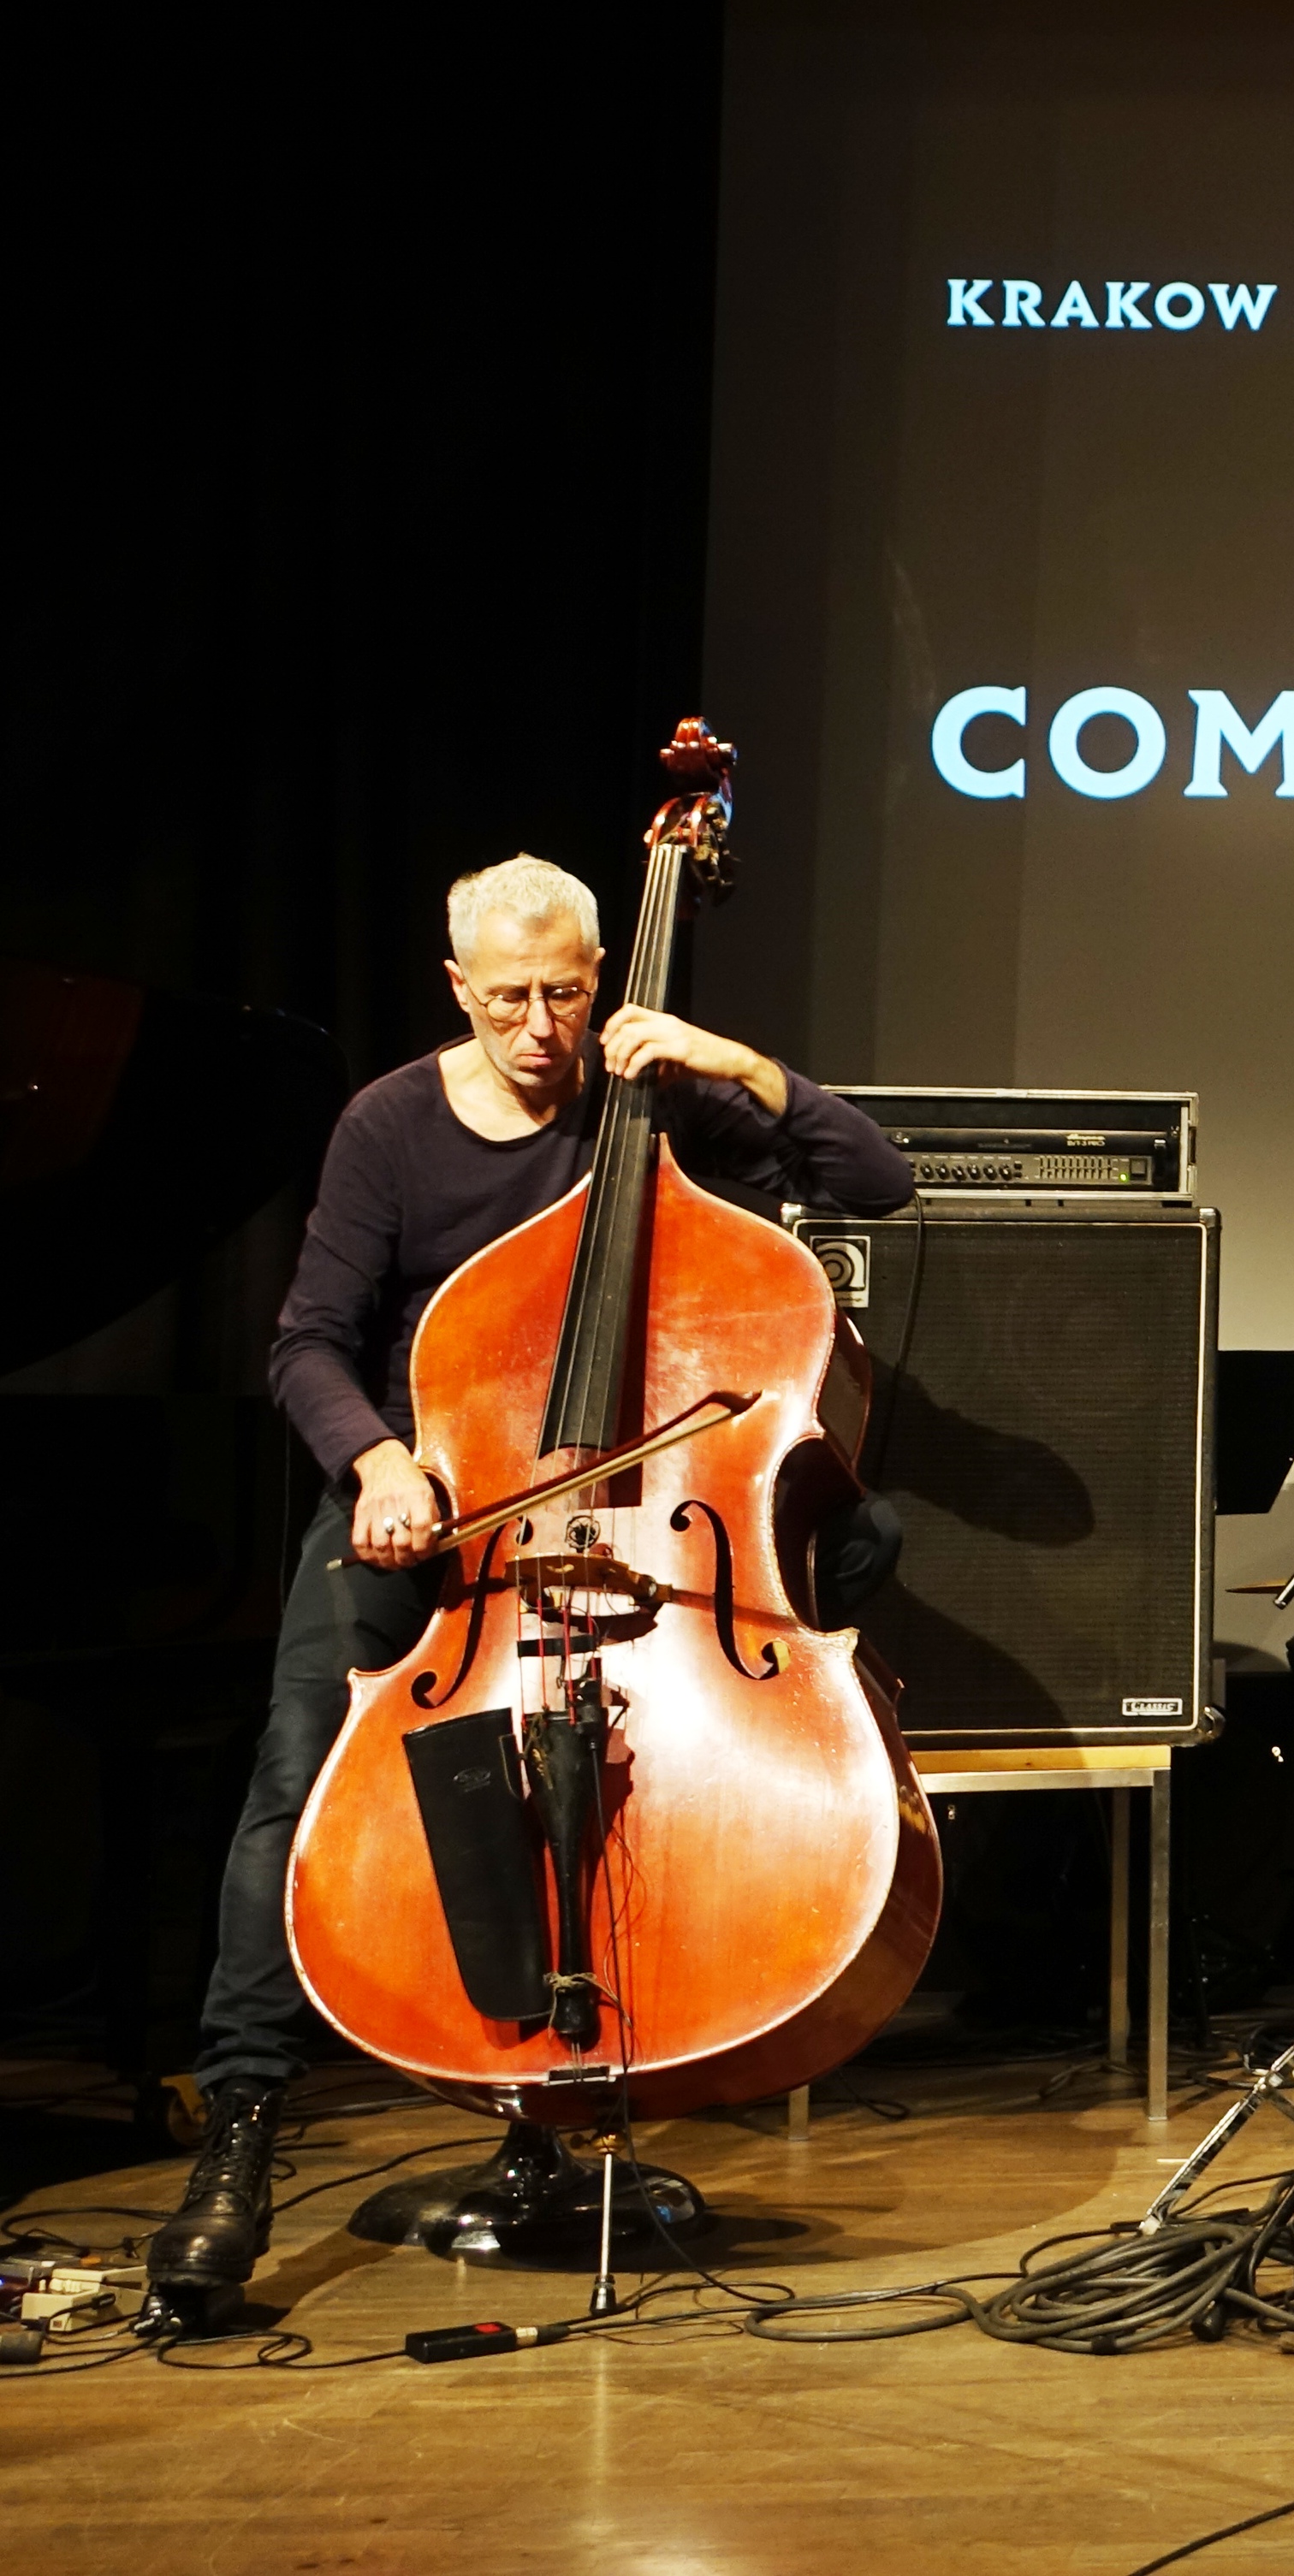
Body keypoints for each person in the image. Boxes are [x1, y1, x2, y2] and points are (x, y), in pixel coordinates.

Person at [138, 854, 915, 2336]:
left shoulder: (660, 1100)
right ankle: (240, 2128)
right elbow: (308, 1339)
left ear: (604, 973)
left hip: (655, 1535)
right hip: (440, 1525)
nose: (542, 1027)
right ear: (459, 990)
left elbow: (874, 1181)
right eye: (509, 999)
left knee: (863, 1542)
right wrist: (374, 1462)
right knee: (294, 1789)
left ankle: (562, 2095)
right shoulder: (390, 1126)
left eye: (567, 992)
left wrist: (731, 1062)